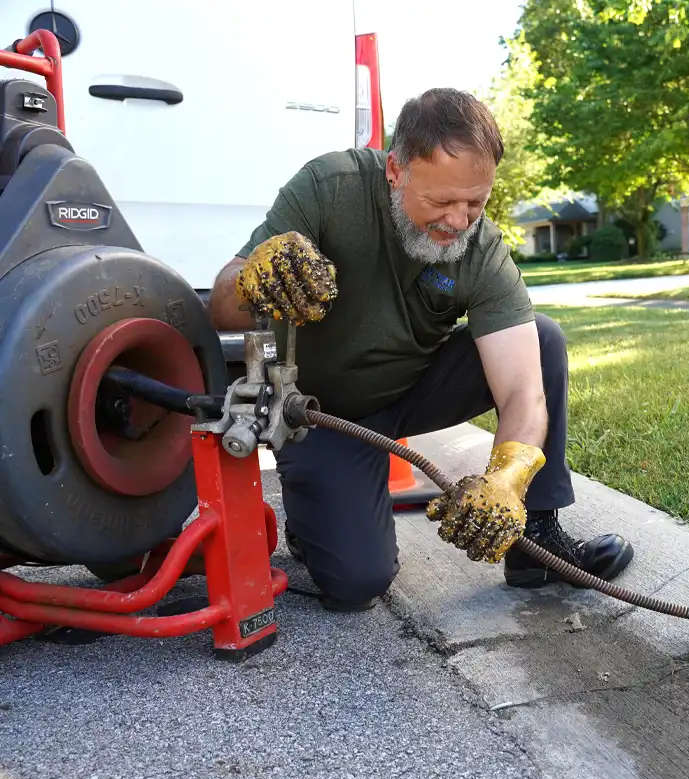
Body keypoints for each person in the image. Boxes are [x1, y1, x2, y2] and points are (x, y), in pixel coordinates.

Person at [208, 88, 634, 611]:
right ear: (396, 170)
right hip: (322, 414)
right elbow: (221, 308)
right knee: (355, 585)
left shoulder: (481, 250)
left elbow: (524, 388)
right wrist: (254, 278)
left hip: (413, 389)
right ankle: (314, 517)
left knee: (541, 339)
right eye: (441, 201)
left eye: (475, 202)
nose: (458, 220)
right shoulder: (329, 188)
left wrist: (507, 482)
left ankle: (537, 545)